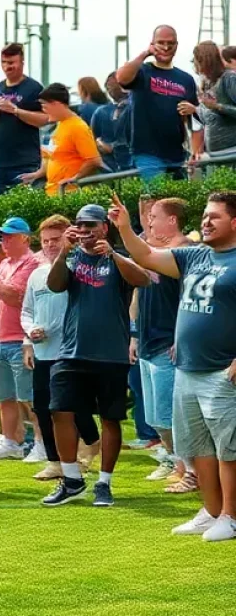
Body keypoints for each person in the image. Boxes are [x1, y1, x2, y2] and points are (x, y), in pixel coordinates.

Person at [110, 190, 236, 539]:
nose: (206, 222)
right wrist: (123, 227)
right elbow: (147, 255)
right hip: (187, 370)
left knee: (229, 450)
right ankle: (211, 512)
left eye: (216, 217)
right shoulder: (194, 255)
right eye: (205, 216)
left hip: (222, 372)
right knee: (199, 449)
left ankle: (231, 515)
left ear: (235, 222)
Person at [43, 205, 152, 508]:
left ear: (105, 227)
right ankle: (72, 479)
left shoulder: (117, 257)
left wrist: (114, 255)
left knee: (110, 419)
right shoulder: (73, 256)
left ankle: (104, 482)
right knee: (59, 411)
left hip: (111, 354)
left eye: (90, 224)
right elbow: (55, 285)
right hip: (71, 351)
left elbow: (142, 280)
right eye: (78, 224)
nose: (84, 230)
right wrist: (63, 252)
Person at [22, 214, 103, 481]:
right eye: (44, 241)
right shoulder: (36, 275)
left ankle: (90, 445)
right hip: (43, 350)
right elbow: (27, 311)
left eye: (55, 239)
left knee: (74, 406)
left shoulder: (80, 268)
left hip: (71, 351)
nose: (49, 245)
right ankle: (54, 461)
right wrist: (28, 337)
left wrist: (55, 330)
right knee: (43, 407)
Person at [130, 196, 194, 490]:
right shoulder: (152, 253)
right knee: (156, 418)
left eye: (154, 216)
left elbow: (191, 300)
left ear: (172, 220)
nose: (149, 222)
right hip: (145, 341)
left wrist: (181, 336)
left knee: (171, 416)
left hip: (168, 343)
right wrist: (133, 334)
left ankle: (187, 469)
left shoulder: (186, 253)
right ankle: (174, 460)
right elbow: (137, 295)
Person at [0, 218, 41, 461]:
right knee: (4, 397)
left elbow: (14, 297)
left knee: (28, 397)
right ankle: (11, 441)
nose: (4, 241)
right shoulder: (5, 265)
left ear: (25, 238)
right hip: (0, 339)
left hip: (19, 339)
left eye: (10, 236)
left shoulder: (30, 264)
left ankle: (41, 443)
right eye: (3, 237)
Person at [115, 24, 199, 182]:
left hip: (177, 153)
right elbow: (121, 78)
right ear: (152, 44)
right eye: (161, 42)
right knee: (155, 199)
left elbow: (196, 121)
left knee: (176, 203)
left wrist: (193, 110)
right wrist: (145, 53)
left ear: (176, 46)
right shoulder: (143, 71)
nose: (166, 47)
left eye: (170, 43)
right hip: (147, 152)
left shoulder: (186, 79)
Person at [0, 43, 48, 195]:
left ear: (21, 62)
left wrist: (15, 110)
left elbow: (44, 119)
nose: (7, 67)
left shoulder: (34, 88)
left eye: (11, 63)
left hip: (24, 162)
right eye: (4, 62)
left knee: (22, 208)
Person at [20, 83, 104, 196]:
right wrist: (37, 174)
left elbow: (94, 160)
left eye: (45, 106)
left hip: (70, 194)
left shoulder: (78, 127)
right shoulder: (60, 125)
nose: (43, 110)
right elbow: (54, 157)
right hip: (54, 192)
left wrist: (75, 178)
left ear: (56, 104)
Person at [189, 41, 236, 160]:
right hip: (214, 155)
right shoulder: (207, 83)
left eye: (196, 60)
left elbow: (217, 108)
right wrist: (195, 109)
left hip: (231, 153)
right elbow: (209, 119)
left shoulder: (229, 78)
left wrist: (217, 106)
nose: (194, 64)